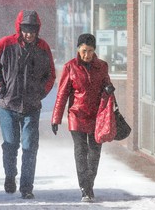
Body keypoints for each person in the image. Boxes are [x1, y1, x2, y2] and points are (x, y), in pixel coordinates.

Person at [0, 10, 56, 199]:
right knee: (10, 144)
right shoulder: (5, 44)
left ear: (37, 30)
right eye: (26, 30)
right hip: (7, 105)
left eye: (32, 30)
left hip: (31, 107)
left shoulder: (43, 48)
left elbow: (50, 75)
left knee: (30, 146)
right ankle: (10, 176)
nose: (29, 34)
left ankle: (27, 187)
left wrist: (41, 93)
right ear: (19, 28)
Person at [51, 33, 113, 202]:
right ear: (78, 49)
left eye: (90, 51)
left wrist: (108, 88)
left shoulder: (102, 66)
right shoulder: (70, 67)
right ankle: (85, 189)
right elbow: (62, 94)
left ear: (95, 51)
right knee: (80, 151)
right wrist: (56, 118)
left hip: (96, 116)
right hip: (76, 115)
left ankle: (89, 184)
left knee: (94, 153)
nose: (87, 55)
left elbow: (107, 83)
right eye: (84, 50)